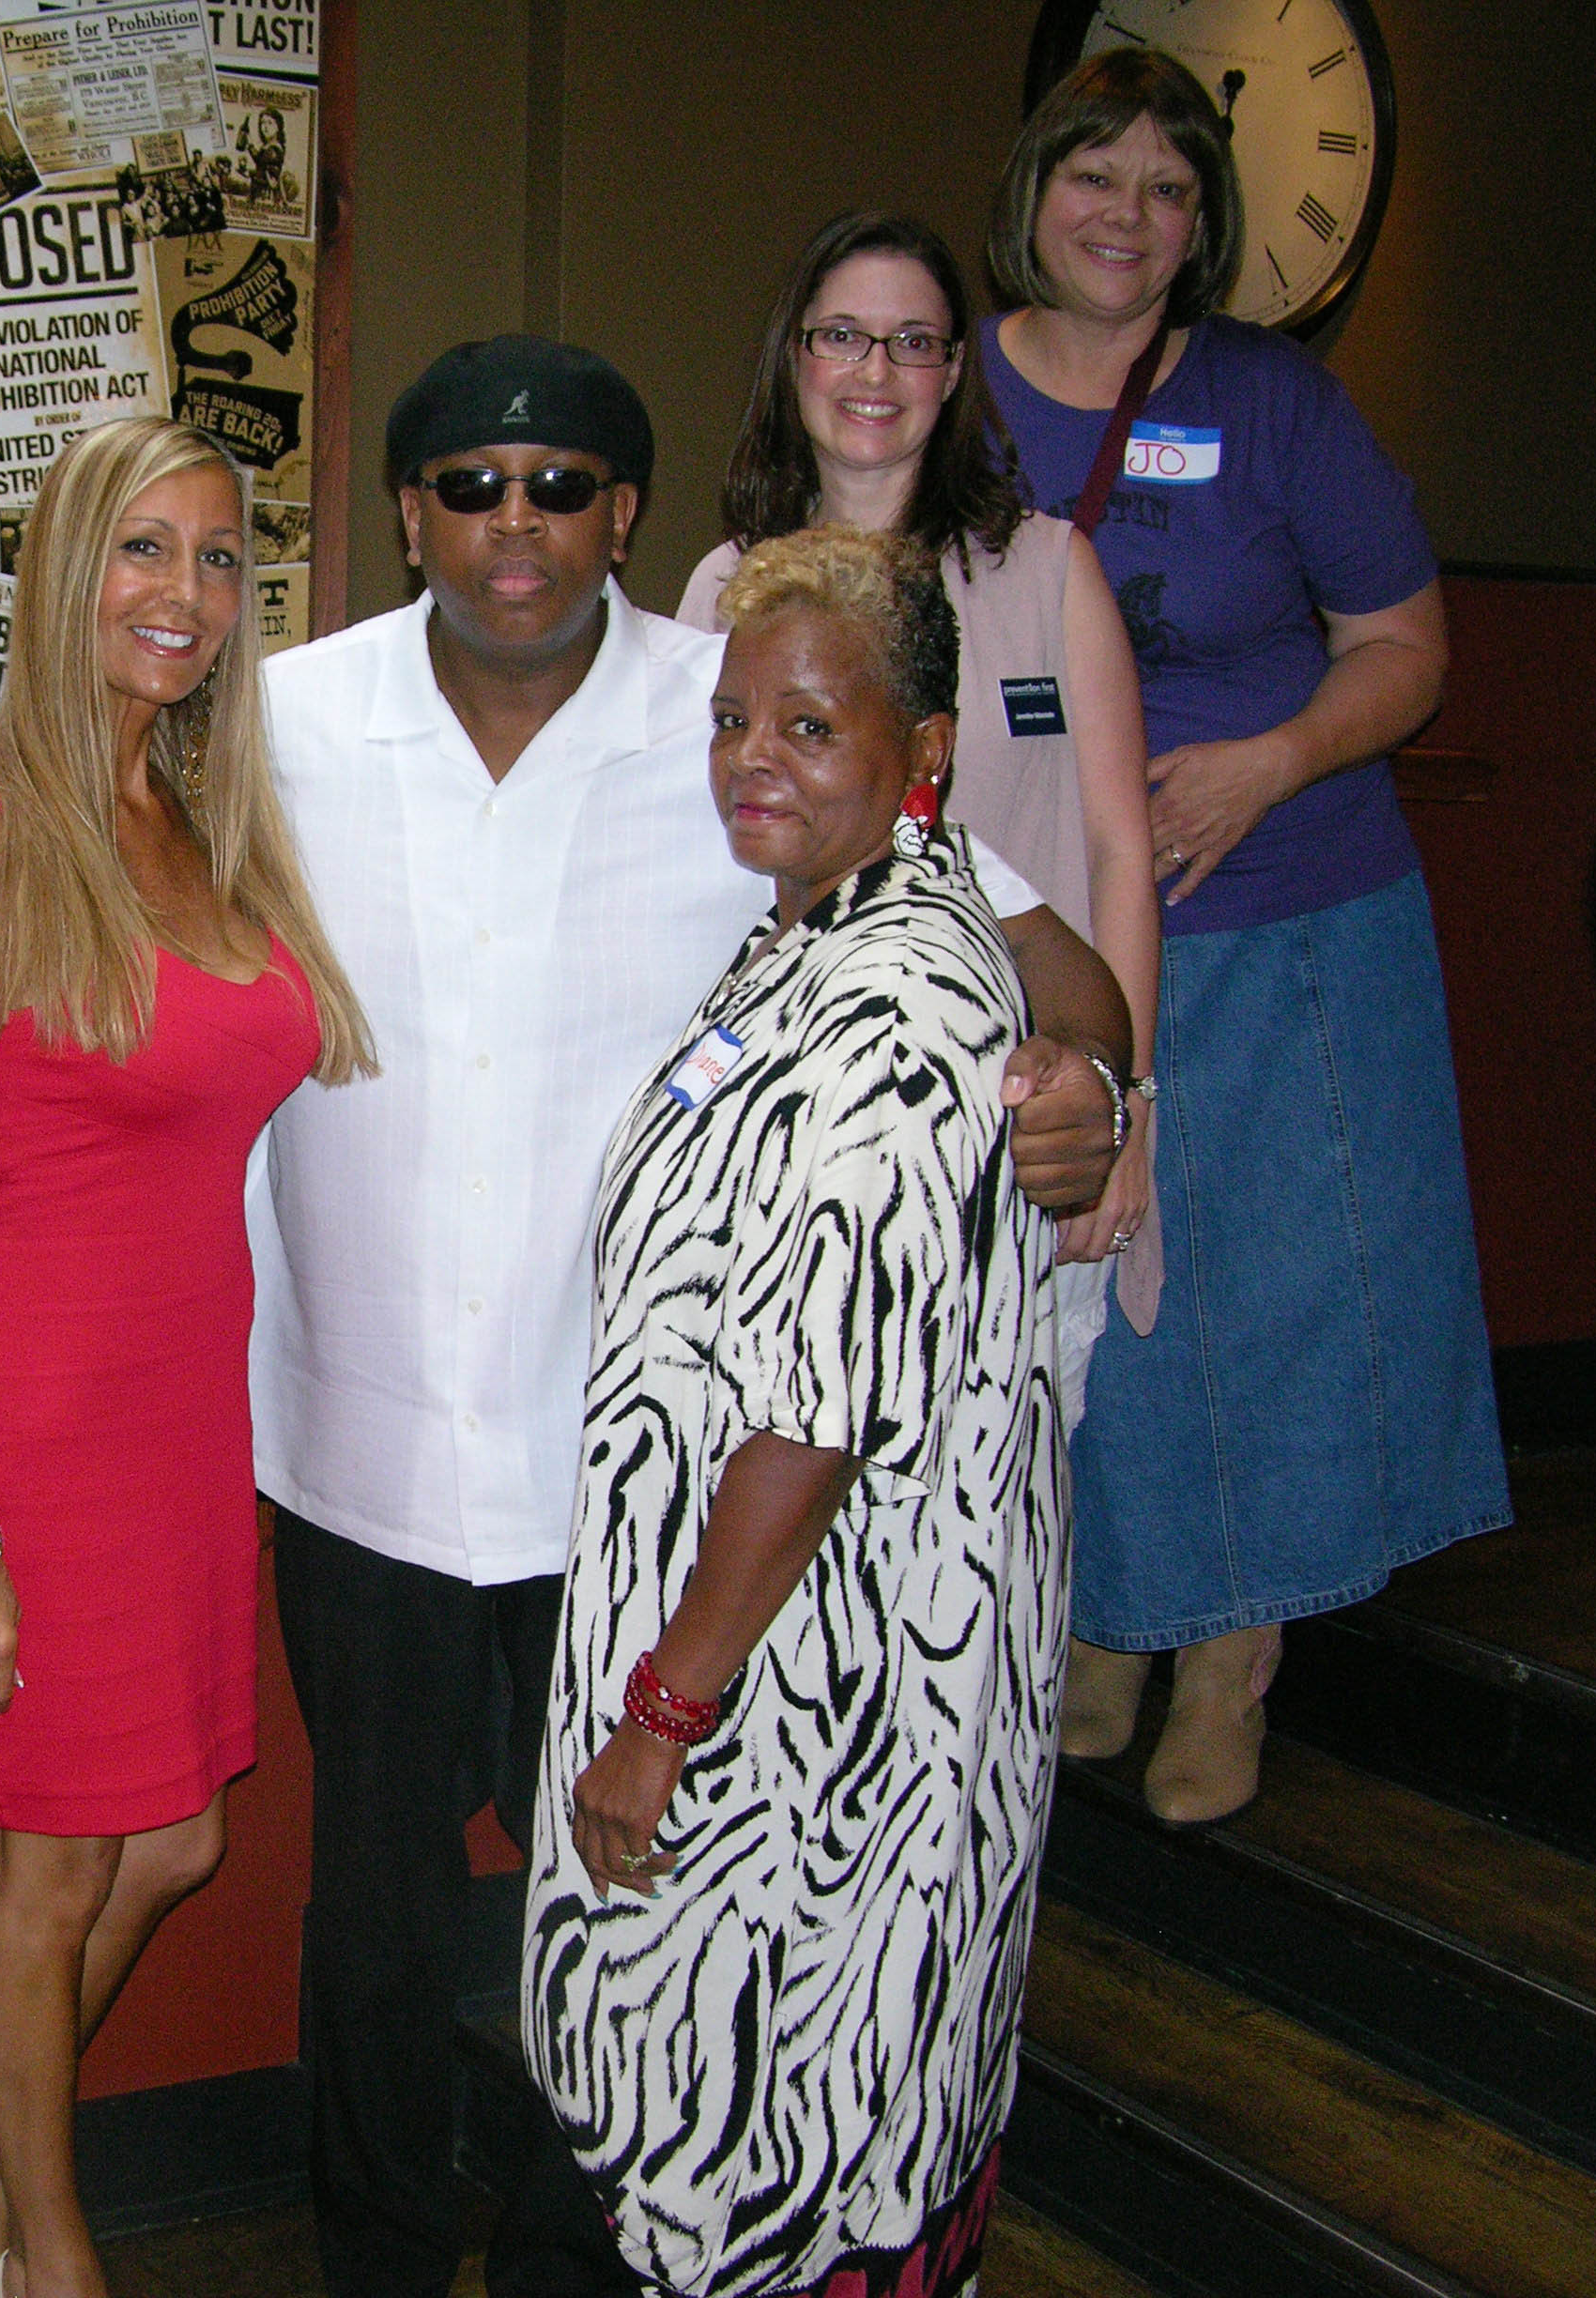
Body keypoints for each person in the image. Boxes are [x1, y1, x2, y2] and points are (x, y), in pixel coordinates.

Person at [247, 334, 1130, 2298]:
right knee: (376, 1931)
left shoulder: (755, 712)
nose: (516, 525)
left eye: (562, 484)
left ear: (626, 514)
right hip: (356, 1454)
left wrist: (1087, 1092)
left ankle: (593, 2267)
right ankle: (375, 2262)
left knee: (629, 1933)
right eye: (471, 484)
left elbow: (1057, 976)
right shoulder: (280, 722)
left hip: (635, 1499)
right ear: (409, 513)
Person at [0, 416, 373, 2298]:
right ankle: (41, 2256)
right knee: (59, 1867)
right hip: (43, 1434)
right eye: (140, 552)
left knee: (174, 1842)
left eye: (219, 560)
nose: (183, 594)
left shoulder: (212, 831)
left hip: (180, 1426)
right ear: (65, 579)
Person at [528, 526, 1073, 2298]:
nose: (755, 756)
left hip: (819, 1712)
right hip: (770, 1667)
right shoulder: (809, 939)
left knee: (791, 2134)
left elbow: (813, 1415)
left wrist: (665, 1709)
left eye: (811, 727)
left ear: (924, 753)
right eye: (736, 717)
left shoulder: (904, 996)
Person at [984, 48, 1507, 1820]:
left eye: (1170, 186)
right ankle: (1115, 1622)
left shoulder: (1277, 403)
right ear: (1032, 189)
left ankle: (1235, 1659)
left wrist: (1267, 765)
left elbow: (1409, 648)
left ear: (1202, 224)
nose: (1129, 214)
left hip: (1287, 907)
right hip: (1051, 919)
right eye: (1095, 173)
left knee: (1274, 1289)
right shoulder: (955, 390)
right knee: (1087, 1290)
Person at [682, 211, 1159, 1422]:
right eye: (843, 336)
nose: (875, 373)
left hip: (1009, 1132)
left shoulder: (1050, 571)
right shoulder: (721, 590)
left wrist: (1125, 1106)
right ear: (796, 360)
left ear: (955, 372)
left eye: (912, 342)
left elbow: (1119, 853)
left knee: (982, 1533)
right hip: (793, 1142)